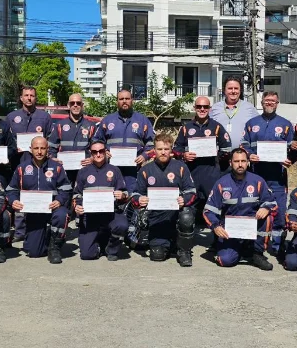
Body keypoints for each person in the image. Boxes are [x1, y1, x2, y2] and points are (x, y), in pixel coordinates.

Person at [93, 89, 155, 247]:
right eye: (121, 99)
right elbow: (96, 141)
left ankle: (131, 235)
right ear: (117, 101)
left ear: (132, 100)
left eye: (127, 98)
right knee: (112, 200)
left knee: (132, 200)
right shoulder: (108, 120)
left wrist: (145, 156)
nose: (124, 101)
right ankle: (109, 234)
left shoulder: (142, 120)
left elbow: (152, 144)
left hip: (133, 170)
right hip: (110, 170)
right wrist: (104, 151)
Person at [203, 148, 277, 270]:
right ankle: (235, 249)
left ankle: (257, 253)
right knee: (225, 260)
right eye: (237, 161)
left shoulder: (258, 181)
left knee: (268, 216)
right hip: (230, 232)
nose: (240, 164)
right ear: (230, 163)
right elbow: (208, 211)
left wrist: (266, 207)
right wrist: (215, 226)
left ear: (248, 162)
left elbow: (272, 202)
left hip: (252, 228)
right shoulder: (221, 183)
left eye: (243, 161)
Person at [240, 91, 295, 256]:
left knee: (279, 214)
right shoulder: (251, 123)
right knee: (253, 211)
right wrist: (249, 155)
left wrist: (289, 159)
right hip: (256, 176)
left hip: (277, 178)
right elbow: (244, 145)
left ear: (277, 103)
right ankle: (252, 245)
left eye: (273, 101)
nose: (269, 103)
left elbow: (292, 149)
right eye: (266, 100)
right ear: (262, 102)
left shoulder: (286, 124)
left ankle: (278, 247)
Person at [131, 134, 198, 266]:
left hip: (176, 214)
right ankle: (168, 243)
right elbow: (135, 194)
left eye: (166, 149)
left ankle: (184, 251)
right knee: (157, 256)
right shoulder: (146, 170)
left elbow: (192, 191)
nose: (163, 152)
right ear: (154, 151)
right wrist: (140, 199)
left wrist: (184, 199)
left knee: (186, 216)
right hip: (156, 217)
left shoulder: (180, 167)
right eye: (160, 149)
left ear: (171, 150)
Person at [5, 137, 72, 263]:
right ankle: (45, 236)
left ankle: (55, 246)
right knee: (34, 252)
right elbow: (11, 190)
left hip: (53, 209)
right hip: (34, 212)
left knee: (62, 214)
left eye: (43, 148)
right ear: (31, 150)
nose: (39, 151)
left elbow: (66, 189)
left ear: (47, 150)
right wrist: (13, 200)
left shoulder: (56, 167)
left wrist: (59, 200)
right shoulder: (21, 168)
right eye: (36, 148)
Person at [6, 86, 54, 242]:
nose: (29, 98)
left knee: (39, 193)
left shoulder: (45, 117)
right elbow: (7, 141)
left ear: (36, 98)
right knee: (20, 195)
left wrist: (49, 155)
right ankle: (20, 231)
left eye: (32, 95)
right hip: (18, 162)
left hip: (40, 164)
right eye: (26, 95)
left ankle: (40, 227)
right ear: (21, 98)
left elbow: (50, 140)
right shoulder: (11, 117)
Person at [173, 96, 232, 214]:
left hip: (211, 172)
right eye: (199, 106)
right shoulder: (186, 128)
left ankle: (217, 231)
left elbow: (227, 149)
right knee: (187, 211)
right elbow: (176, 149)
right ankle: (188, 231)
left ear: (209, 108)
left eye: (205, 107)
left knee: (215, 207)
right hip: (191, 172)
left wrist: (216, 155)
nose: (202, 109)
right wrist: (184, 155)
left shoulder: (217, 127)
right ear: (194, 108)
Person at [72, 140, 130, 261]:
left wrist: (122, 196)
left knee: (122, 225)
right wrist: (77, 206)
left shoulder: (115, 170)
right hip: (90, 216)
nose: (98, 154)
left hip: (110, 214)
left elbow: (125, 193)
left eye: (101, 151)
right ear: (90, 153)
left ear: (106, 152)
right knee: (87, 255)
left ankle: (111, 249)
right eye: (94, 152)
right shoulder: (83, 172)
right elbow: (76, 195)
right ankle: (99, 246)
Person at [49, 93, 96, 184]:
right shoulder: (59, 125)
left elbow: (97, 148)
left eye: (78, 103)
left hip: (85, 170)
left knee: (82, 197)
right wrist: (53, 159)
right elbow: (51, 148)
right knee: (65, 195)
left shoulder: (91, 126)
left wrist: (92, 159)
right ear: (68, 105)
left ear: (82, 105)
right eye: (72, 103)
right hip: (64, 171)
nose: (75, 105)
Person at [209, 76, 259, 150]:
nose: (233, 91)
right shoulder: (215, 108)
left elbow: (258, 130)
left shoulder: (250, 108)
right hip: (220, 156)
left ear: (240, 90)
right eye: (230, 88)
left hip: (242, 157)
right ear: (224, 90)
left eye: (236, 88)